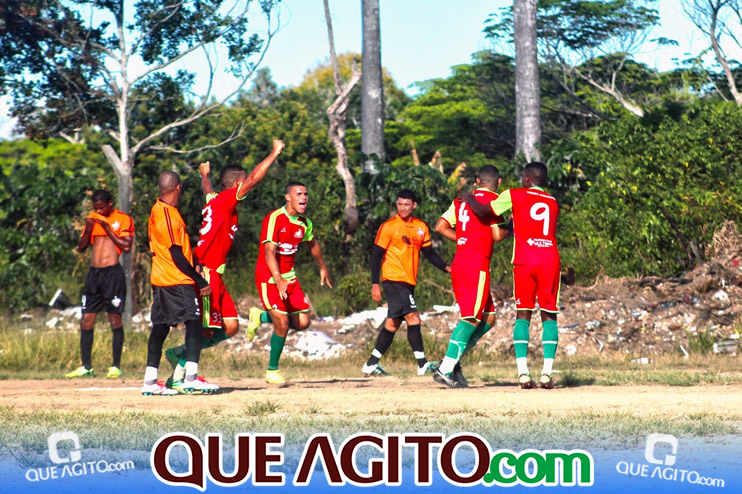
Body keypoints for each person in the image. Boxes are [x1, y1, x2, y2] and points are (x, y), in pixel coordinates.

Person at [163, 140, 285, 388]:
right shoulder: (227, 200)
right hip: (207, 273)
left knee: (230, 326)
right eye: (243, 181)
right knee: (206, 330)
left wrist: (204, 175)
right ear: (237, 184)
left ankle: (180, 354)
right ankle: (179, 376)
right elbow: (255, 179)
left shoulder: (215, 200)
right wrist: (274, 153)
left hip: (216, 274)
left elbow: (207, 189)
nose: (246, 184)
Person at [464, 161, 561, 389]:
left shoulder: (515, 194)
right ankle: (547, 374)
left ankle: (523, 374)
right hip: (549, 260)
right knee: (549, 314)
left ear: (527, 179)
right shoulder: (552, 201)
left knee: (523, 314)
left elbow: (484, 211)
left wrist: (468, 198)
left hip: (525, 261)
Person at [432, 166, 509, 388]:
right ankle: (446, 368)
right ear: (499, 182)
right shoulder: (494, 203)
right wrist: (511, 226)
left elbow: (440, 227)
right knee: (471, 318)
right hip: (475, 266)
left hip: (462, 262)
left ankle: (452, 362)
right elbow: (497, 235)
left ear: (477, 181)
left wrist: (463, 239)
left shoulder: (461, 201)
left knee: (489, 319)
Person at [141, 171, 215, 396]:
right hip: (175, 279)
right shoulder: (167, 216)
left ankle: (150, 381)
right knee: (194, 323)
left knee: (161, 327)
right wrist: (199, 279)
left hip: (161, 279)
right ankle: (191, 379)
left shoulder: (159, 209)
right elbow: (176, 254)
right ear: (178, 188)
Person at [362, 189, 450, 377]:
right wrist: (374, 284)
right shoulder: (389, 226)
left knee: (392, 325)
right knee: (413, 318)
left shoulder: (421, 227)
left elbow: (429, 253)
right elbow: (376, 256)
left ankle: (370, 365)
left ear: (414, 205)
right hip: (393, 279)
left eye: (406, 205)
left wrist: (446, 268)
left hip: (408, 281)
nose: (402, 208)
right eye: (399, 204)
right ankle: (422, 364)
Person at [254, 182, 332, 385]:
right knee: (283, 323)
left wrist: (322, 266)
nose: (304, 197)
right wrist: (278, 278)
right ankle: (272, 370)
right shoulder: (275, 218)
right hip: (269, 276)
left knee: (303, 323)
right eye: (299, 194)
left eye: (306, 194)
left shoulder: (305, 223)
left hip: (289, 277)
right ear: (288, 197)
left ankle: (260, 316)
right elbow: (269, 252)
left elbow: (313, 244)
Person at [66, 190, 134, 379]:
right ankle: (86, 366)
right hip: (94, 275)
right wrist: (89, 228)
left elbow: (126, 246)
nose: (99, 211)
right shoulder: (93, 219)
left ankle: (116, 366)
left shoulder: (122, 219)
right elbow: (81, 247)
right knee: (86, 319)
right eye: (96, 208)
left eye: (102, 208)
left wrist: (106, 227)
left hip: (112, 274)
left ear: (110, 203)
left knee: (114, 319)